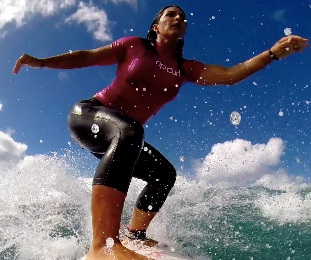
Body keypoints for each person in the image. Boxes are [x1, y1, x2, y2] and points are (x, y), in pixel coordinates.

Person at [13, 5, 308, 260]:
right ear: (156, 25)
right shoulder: (134, 46)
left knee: (163, 174)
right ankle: (103, 245)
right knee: (130, 131)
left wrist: (273, 53)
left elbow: (230, 76)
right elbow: (87, 56)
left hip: (123, 136)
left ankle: (135, 234)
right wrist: (41, 62)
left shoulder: (184, 69)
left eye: (183, 18)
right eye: (171, 14)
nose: (178, 19)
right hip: (87, 115)